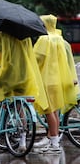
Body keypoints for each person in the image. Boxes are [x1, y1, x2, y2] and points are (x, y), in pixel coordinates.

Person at [0, 31, 48, 151]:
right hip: (24, 75)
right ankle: (23, 141)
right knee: (19, 105)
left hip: (7, 74)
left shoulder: (1, 35)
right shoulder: (25, 36)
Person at [32, 14, 78, 153]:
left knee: (49, 111)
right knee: (55, 112)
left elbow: (36, 58)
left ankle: (54, 145)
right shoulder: (60, 39)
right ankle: (54, 140)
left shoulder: (44, 39)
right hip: (58, 80)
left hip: (47, 80)